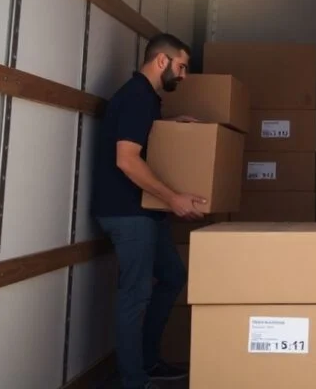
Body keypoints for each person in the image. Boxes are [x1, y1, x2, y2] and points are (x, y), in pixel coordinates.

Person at [91, 33, 207, 389]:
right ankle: (134, 380)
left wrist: (172, 127)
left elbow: (141, 139)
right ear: (162, 61)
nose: (184, 75)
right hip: (127, 214)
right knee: (135, 295)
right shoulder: (138, 97)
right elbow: (126, 160)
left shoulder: (146, 100)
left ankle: (147, 361)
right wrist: (173, 198)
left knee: (172, 276)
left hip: (142, 213)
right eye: (182, 66)